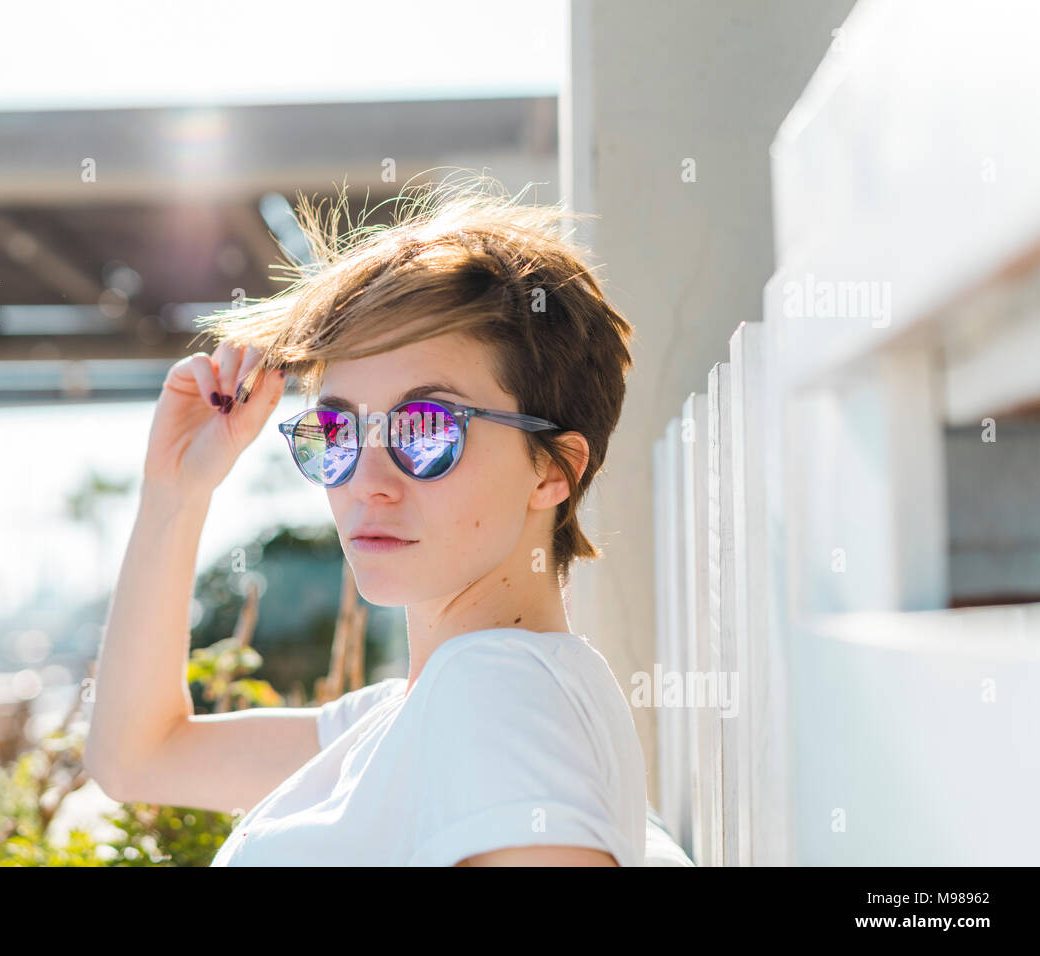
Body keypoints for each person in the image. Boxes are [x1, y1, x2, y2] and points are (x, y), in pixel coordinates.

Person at [84, 173, 645, 865]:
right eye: (337, 430)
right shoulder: (414, 712)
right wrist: (175, 491)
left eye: (426, 429)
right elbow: (138, 756)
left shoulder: (496, 695)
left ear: (554, 469)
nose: (366, 484)